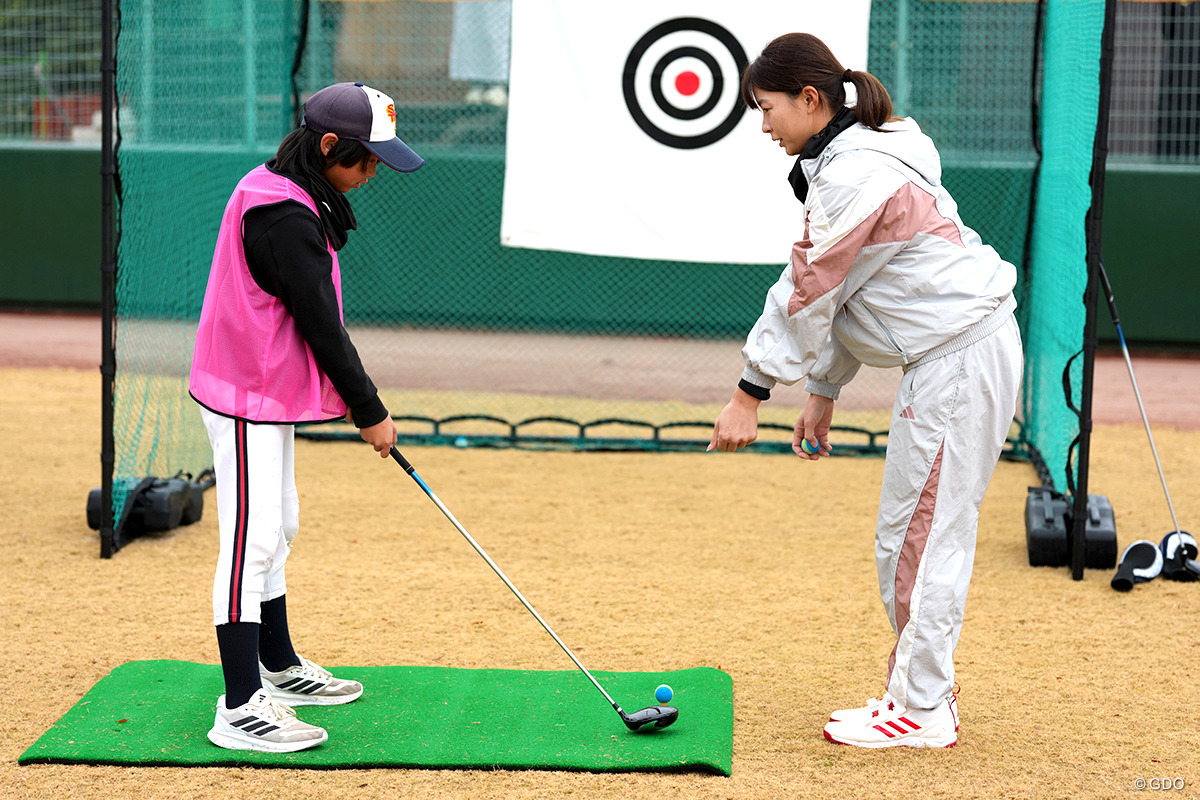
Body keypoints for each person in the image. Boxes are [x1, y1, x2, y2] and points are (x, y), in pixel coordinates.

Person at [708, 33, 1023, 749]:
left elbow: (809, 287)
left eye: (768, 108)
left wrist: (750, 392)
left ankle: (922, 709)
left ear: (811, 100)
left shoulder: (854, 173)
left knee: (921, 539)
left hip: (959, 361)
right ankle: (917, 693)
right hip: (950, 358)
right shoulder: (862, 155)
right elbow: (862, 284)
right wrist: (822, 388)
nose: (764, 126)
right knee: (909, 537)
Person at [189, 82, 425, 752]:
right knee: (249, 540)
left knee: (279, 522)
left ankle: (277, 663)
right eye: (366, 160)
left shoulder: (293, 189)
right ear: (328, 147)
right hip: (242, 393)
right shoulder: (284, 218)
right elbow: (322, 325)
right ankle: (238, 708)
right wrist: (369, 409)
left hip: (264, 392)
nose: (374, 173)